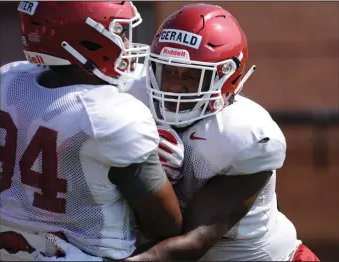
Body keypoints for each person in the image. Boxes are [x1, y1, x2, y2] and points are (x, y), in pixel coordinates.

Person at [34, 3, 320, 262]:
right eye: (168, 70)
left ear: (227, 77)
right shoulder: (128, 96)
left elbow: (193, 242)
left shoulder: (246, 136)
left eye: (191, 76)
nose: (172, 86)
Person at [0, 2, 183, 261]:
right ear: (85, 39)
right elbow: (166, 225)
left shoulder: (8, 81)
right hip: (85, 253)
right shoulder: (111, 114)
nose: (127, 43)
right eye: (118, 31)